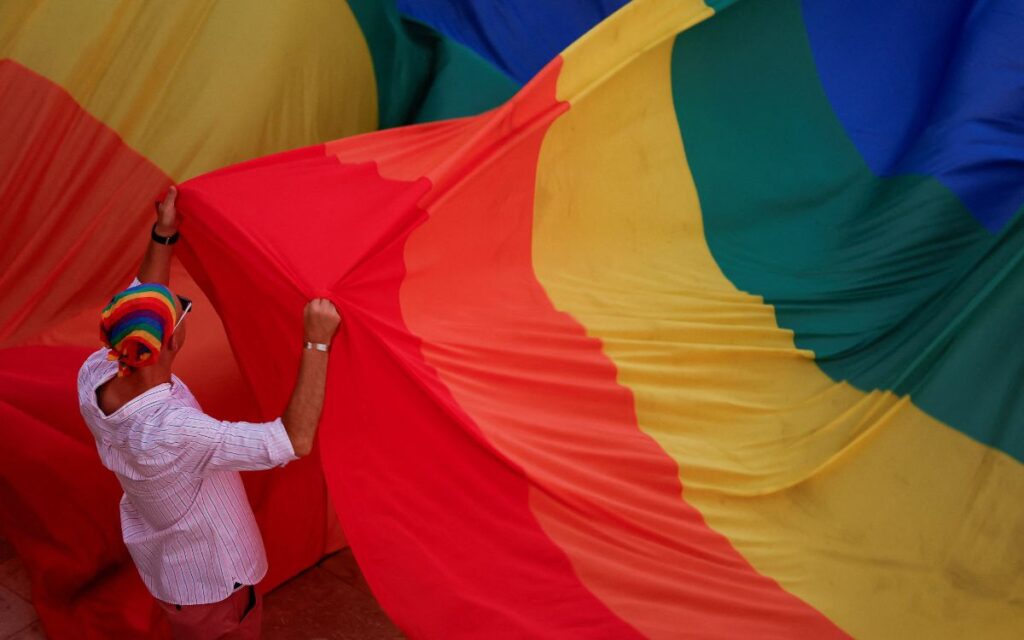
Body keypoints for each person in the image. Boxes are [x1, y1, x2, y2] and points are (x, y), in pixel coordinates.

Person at [76, 186, 340, 639]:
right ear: (170, 346)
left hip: (173, 573)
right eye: (180, 316)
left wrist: (163, 233)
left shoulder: (96, 372)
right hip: (216, 585)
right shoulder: (175, 431)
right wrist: (316, 341)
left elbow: (143, 296)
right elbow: (292, 441)